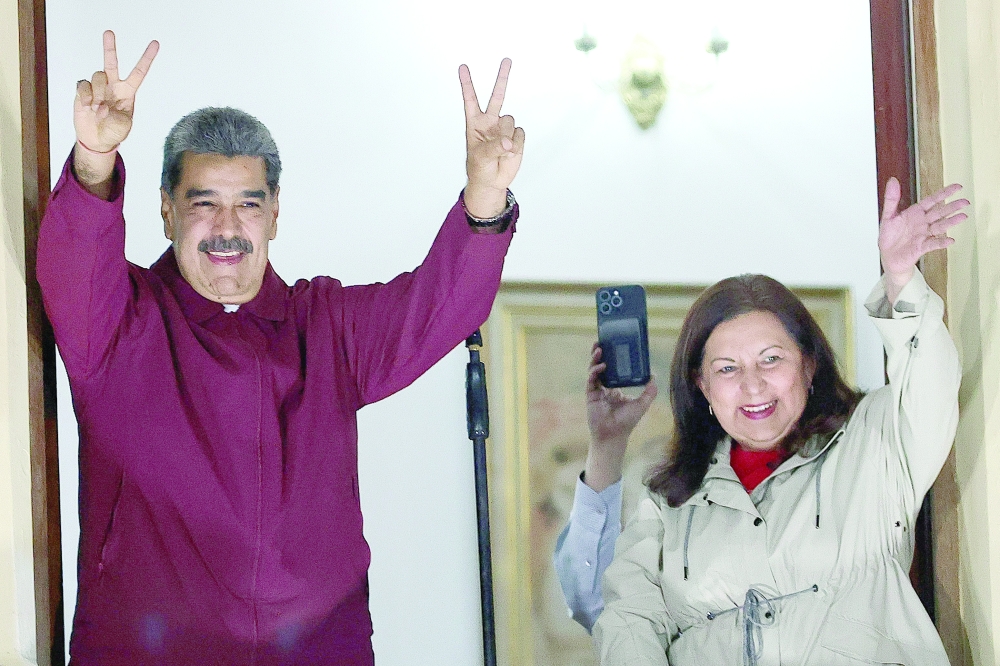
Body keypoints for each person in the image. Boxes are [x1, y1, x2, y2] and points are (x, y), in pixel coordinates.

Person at [37, 31, 524, 665]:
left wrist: (485, 197)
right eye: (203, 204)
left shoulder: (322, 326)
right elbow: (72, 266)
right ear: (165, 211)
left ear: (275, 215)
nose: (228, 229)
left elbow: (440, 309)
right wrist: (95, 157)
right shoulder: (121, 323)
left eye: (249, 204)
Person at [556, 178, 969, 664]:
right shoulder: (669, 498)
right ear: (702, 388)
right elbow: (627, 620)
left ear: (809, 365)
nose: (752, 386)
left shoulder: (874, 438)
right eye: (727, 369)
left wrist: (901, 279)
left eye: (771, 360)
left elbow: (931, 389)